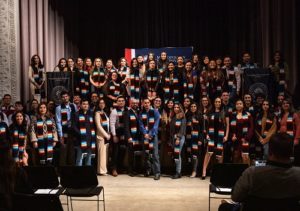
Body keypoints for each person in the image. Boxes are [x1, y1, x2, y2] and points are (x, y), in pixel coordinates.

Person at [229, 133, 300, 210]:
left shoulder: (252, 173)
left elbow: (235, 197)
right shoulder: (298, 174)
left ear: (269, 151)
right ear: (292, 152)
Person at [202, 97, 229, 179]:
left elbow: (227, 125)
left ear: (221, 103)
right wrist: (206, 134)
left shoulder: (224, 112)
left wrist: (226, 135)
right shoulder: (210, 112)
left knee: (220, 155)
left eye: (219, 102)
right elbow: (206, 125)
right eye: (216, 101)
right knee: (209, 153)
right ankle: (204, 172)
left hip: (220, 135)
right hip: (211, 135)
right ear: (214, 103)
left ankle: (219, 172)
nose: (218, 103)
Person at [139, 98, 161, 180]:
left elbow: (156, 124)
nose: (147, 104)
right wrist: (145, 133)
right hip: (145, 136)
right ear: (143, 104)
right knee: (146, 154)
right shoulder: (141, 113)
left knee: (155, 154)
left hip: (153, 136)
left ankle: (157, 173)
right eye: (145, 103)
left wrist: (150, 134)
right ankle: (148, 170)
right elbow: (140, 124)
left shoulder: (155, 111)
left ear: (150, 103)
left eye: (148, 102)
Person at [55, 91, 77, 165]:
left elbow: (76, 119)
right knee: (63, 151)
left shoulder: (74, 106)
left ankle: (71, 170)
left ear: (69, 97)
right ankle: (62, 170)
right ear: (61, 98)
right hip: (64, 131)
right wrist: (60, 135)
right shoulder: (58, 108)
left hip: (72, 131)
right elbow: (58, 122)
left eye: (66, 96)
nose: (65, 98)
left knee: (71, 152)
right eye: (63, 97)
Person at [72, 99, 96, 166]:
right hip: (81, 139)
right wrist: (81, 134)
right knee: (80, 158)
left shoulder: (91, 114)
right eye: (84, 104)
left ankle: (87, 174)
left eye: (86, 104)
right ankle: (79, 174)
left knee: (88, 158)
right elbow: (74, 127)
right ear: (80, 105)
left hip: (90, 139)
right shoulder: (76, 114)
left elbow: (93, 126)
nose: (85, 105)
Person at [230, 99, 253, 165]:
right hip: (236, 140)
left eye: (240, 104)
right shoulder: (232, 115)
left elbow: (251, 128)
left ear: (243, 105)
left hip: (245, 139)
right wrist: (232, 136)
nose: (239, 105)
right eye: (237, 104)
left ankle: (247, 173)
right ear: (235, 105)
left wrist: (246, 138)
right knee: (236, 156)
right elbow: (230, 128)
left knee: (245, 156)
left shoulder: (248, 114)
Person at [110, 95, 127, 176]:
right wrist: (114, 135)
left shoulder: (127, 110)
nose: (121, 102)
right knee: (115, 152)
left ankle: (120, 168)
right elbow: (112, 124)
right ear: (116, 102)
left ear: (124, 102)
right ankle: (113, 169)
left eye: (122, 100)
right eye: (119, 101)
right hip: (117, 132)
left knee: (122, 151)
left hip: (124, 133)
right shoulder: (114, 111)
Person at [124, 99, 141, 176]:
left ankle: (137, 169)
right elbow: (126, 127)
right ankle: (130, 170)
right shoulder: (127, 113)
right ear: (130, 104)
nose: (135, 104)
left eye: (136, 103)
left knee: (137, 154)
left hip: (138, 137)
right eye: (133, 103)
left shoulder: (138, 112)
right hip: (131, 137)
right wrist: (129, 137)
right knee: (131, 154)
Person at [169, 103, 186, 179]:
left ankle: (178, 172)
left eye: (177, 107)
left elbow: (182, 129)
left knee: (177, 155)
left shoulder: (182, 117)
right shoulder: (173, 117)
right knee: (176, 155)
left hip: (179, 138)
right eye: (174, 107)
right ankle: (177, 171)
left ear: (180, 108)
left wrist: (178, 138)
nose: (176, 108)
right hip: (173, 138)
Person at [186, 102, 203, 178]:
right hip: (189, 138)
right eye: (192, 106)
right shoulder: (187, 116)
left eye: (194, 106)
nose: (193, 108)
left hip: (197, 139)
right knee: (190, 155)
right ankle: (191, 170)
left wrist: (200, 139)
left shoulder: (200, 116)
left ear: (197, 107)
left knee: (195, 155)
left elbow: (202, 129)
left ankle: (195, 171)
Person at [95, 98, 110, 175]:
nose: (102, 104)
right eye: (100, 103)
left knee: (105, 154)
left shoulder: (105, 113)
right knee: (102, 154)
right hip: (101, 136)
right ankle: (101, 171)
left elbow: (108, 124)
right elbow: (98, 126)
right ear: (98, 104)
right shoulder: (97, 113)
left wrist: (109, 133)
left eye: (103, 103)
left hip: (106, 135)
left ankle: (105, 169)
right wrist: (106, 135)